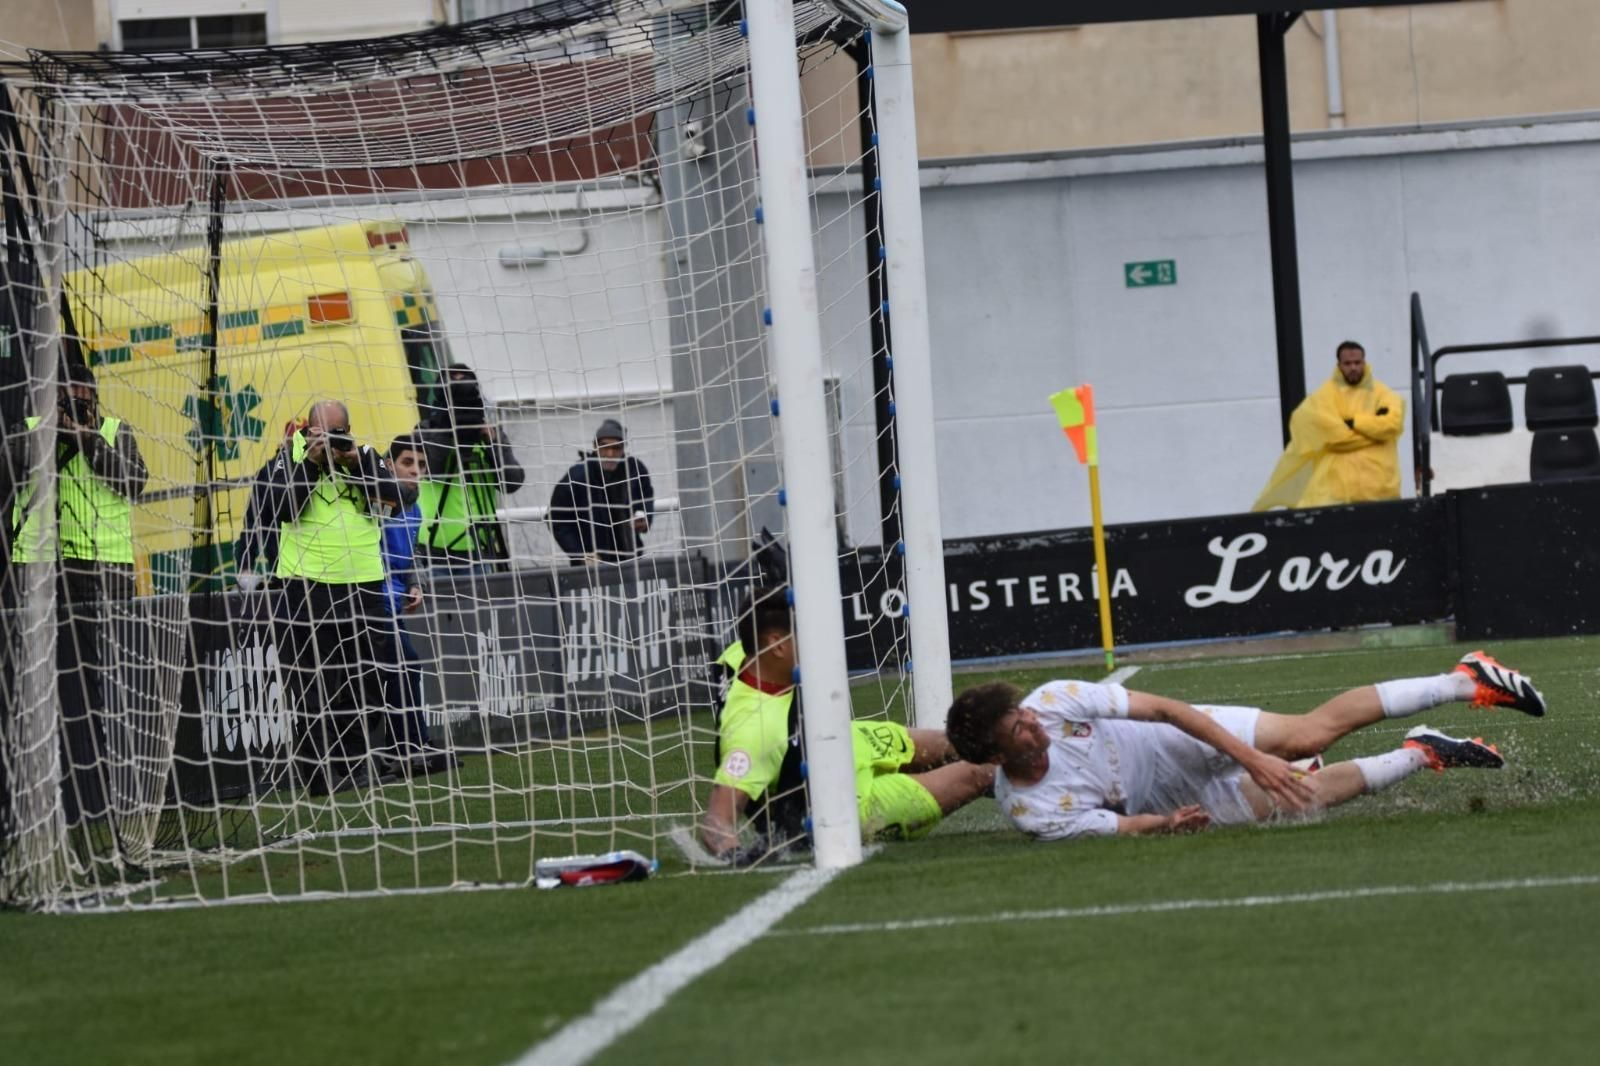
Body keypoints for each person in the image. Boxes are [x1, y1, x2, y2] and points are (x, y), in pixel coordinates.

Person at [944, 651, 1545, 840]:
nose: (1032, 723)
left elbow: (1166, 710)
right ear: (996, 758)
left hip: (1178, 737)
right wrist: (1165, 823)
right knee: (1303, 798)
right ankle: (1425, 752)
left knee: (1307, 736)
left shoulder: (1054, 699)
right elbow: (1118, 829)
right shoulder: (1031, 811)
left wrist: (1254, 756)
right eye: (1017, 730)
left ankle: (1466, 680)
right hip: (1171, 795)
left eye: (1023, 712)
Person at [692, 586, 994, 864]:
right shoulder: (755, 732)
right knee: (981, 772)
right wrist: (734, 854)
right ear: (777, 645)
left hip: (843, 738)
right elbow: (716, 821)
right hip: (849, 800)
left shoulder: (738, 655)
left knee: (965, 740)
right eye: (806, 635)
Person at [7, 361, 147, 836]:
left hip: (105, 575)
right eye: (68, 398)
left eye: (83, 398)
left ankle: (95, 797)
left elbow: (131, 482)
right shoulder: (27, 429)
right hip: (41, 571)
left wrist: (86, 438)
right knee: (39, 689)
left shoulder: (114, 431)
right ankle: (37, 798)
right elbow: (14, 474)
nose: (77, 406)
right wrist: (53, 430)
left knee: (95, 690)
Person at [259, 400, 413, 795]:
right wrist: (312, 462)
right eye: (319, 432)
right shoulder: (288, 456)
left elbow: (401, 498)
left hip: (364, 585)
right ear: (308, 430)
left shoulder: (362, 456)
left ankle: (353, 761)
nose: (327, 440)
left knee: (371, 679)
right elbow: (279, 508)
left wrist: (355, 465)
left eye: (336, 432)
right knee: (316, 686)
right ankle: (319, 773)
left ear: (348, 428)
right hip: (307, 587)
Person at [375, 433, 453, 775]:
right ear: (389, 466)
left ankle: (409, 747)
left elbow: (412, 553)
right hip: (371, 600)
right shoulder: (378, 503)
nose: (415, 471)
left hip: (393, 601)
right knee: (405, 664)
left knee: (405, 667)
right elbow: (368, 550)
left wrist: (414, 584)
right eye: (407, 463)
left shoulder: (416, 507)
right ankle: (406, 748)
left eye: (420, 465)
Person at [1254, 340, 1405, 510]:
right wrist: (1374, 433)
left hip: (1381, 491)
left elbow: (1392, 425)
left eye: (1357, 362)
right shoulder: (1324, 397)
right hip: (1337, 495)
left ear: (1364, 362)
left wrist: (1352, 422)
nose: (1353, 368)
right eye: (1347, 363)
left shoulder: (1383, 394)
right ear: (1339, 365)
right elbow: (1336, 439)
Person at [416, 364, 524, 569]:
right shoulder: (424, 432)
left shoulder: (489, 435)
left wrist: (491, 442)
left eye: (463, 381)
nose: (458, 384)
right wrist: (449, 431)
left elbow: (512, 482)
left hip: (480, 549)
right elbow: (433, 470)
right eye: (453, 382)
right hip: (434, 551)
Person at [548, 419, 655, 565]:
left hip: (630, 561)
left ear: (624, 449)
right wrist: (580, 554)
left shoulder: (635, 469)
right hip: (591, 567)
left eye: (616, 448)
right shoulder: (577, 476)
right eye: (604, 447)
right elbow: (556, 519)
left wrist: (644, 517)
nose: (610, 454)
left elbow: (646, 496)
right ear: (595, 447)